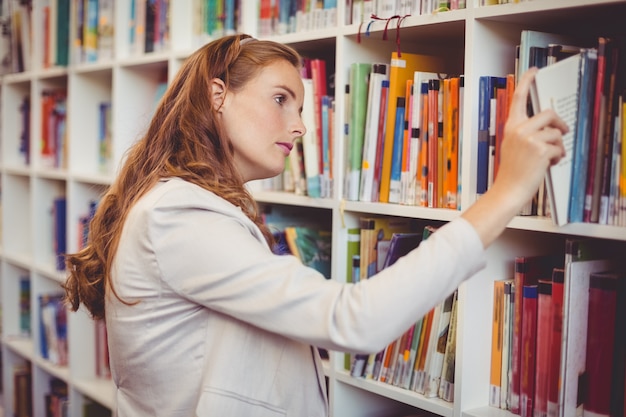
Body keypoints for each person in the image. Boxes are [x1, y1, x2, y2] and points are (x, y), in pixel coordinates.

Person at [64, 34, 567, 416]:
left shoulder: (185, 206)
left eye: (301, 108)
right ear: (217, 96)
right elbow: (355, 320)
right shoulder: (178, 215)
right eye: (280, 99)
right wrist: (505, 193)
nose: (301, 126)